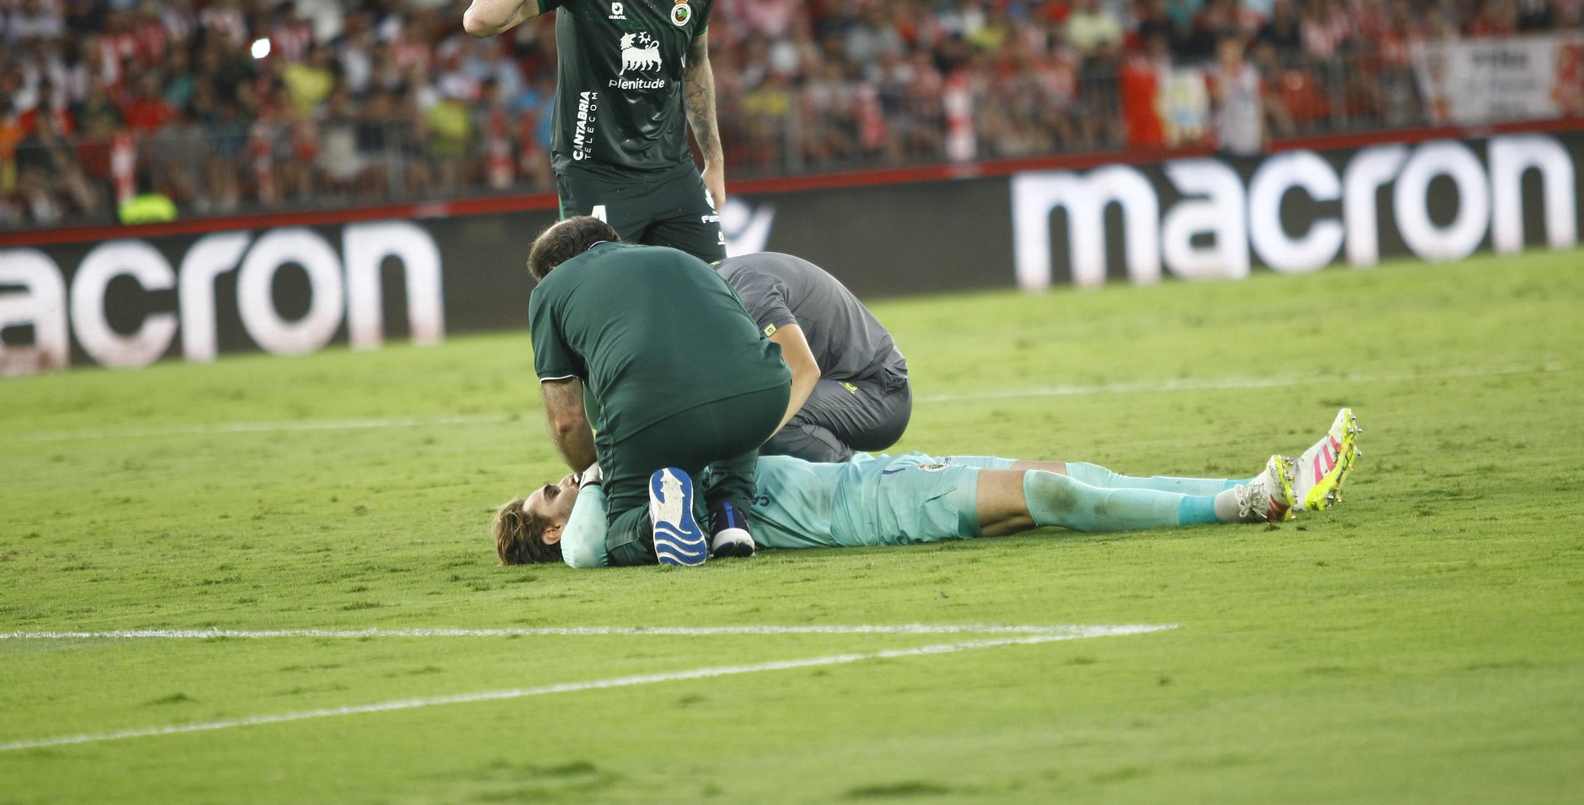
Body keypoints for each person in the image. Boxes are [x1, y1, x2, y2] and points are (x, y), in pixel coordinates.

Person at [493, 410, 1362, 569]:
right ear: (550, 530)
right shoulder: (612, 522)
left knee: (1074, 476)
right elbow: (586, 543)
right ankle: (1251, 502)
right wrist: (594, 477)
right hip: (878, 511)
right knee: (1051, 492)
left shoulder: (649, 493)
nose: (562, 483)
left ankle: (1262, 483)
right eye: (546, 496)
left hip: (880, 480)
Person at [464, 0, 728, 262]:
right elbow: (479, 21)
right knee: (604, 295)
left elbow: (694, 62)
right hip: (595, 173)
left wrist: (714, 161)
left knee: (715, 287)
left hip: (673, 170)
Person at [525, 216, 790, 568]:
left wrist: (595, 476)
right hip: (765, 396)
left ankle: (655, 519)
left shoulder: (550, 290)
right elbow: (739, 345)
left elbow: (567, 421)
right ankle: (730, 516)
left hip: (655, 416)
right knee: (734, 389)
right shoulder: (683, 258)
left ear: (554, 269)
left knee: (617, 533)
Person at [715, 252, 911, 462]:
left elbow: (804, 369)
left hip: (880, 392)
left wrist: (740, 450)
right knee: (746, 416)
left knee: (766, 417)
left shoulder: (750, 293)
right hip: (842, 384)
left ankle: (857, 475)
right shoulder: (715, 283)